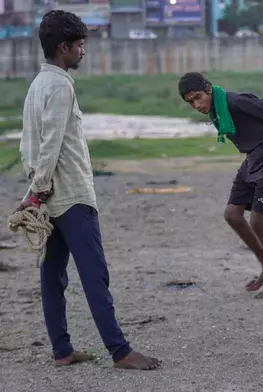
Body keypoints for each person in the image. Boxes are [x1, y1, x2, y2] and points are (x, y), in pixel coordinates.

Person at [16, 10, 159, 370]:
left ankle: (62, 350)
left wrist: (34, 190)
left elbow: (28, 145)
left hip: (49, 199)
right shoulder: (61, 85)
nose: (83, 52)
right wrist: (40, 189)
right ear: (63, 47)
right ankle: (120, 351)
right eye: (79, 46)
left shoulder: (38, 84)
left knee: (53, 277)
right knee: (95, 275)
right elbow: (49, 145)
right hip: (70, 197)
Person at [178, 72, 263, 299]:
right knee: (232, 214)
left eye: (198, 97)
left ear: (208, 88)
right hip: (252, 159)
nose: (197, 105)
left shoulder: (236, 102)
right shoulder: (217, 111)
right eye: (191, 102)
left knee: (257, 220)